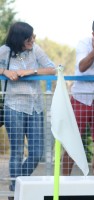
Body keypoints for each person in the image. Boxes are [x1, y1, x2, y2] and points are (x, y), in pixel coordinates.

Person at [0, 21, 56, 198]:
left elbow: (52, 68)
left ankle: (19, 183)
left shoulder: (35, 50)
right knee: (16, 151)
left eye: (33, 36)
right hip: (13, 106)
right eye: (29, 37)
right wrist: (4, 71)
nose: (32, 39)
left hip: (35, 107)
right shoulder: (5, 51)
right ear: (19, 38)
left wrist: (31, 71)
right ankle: (17, 189)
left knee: (37, 152)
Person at [62, 16, 94, 176]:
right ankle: (64, 181)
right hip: (80, 99)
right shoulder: (84, 43)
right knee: (72, 142)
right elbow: (82, 67)